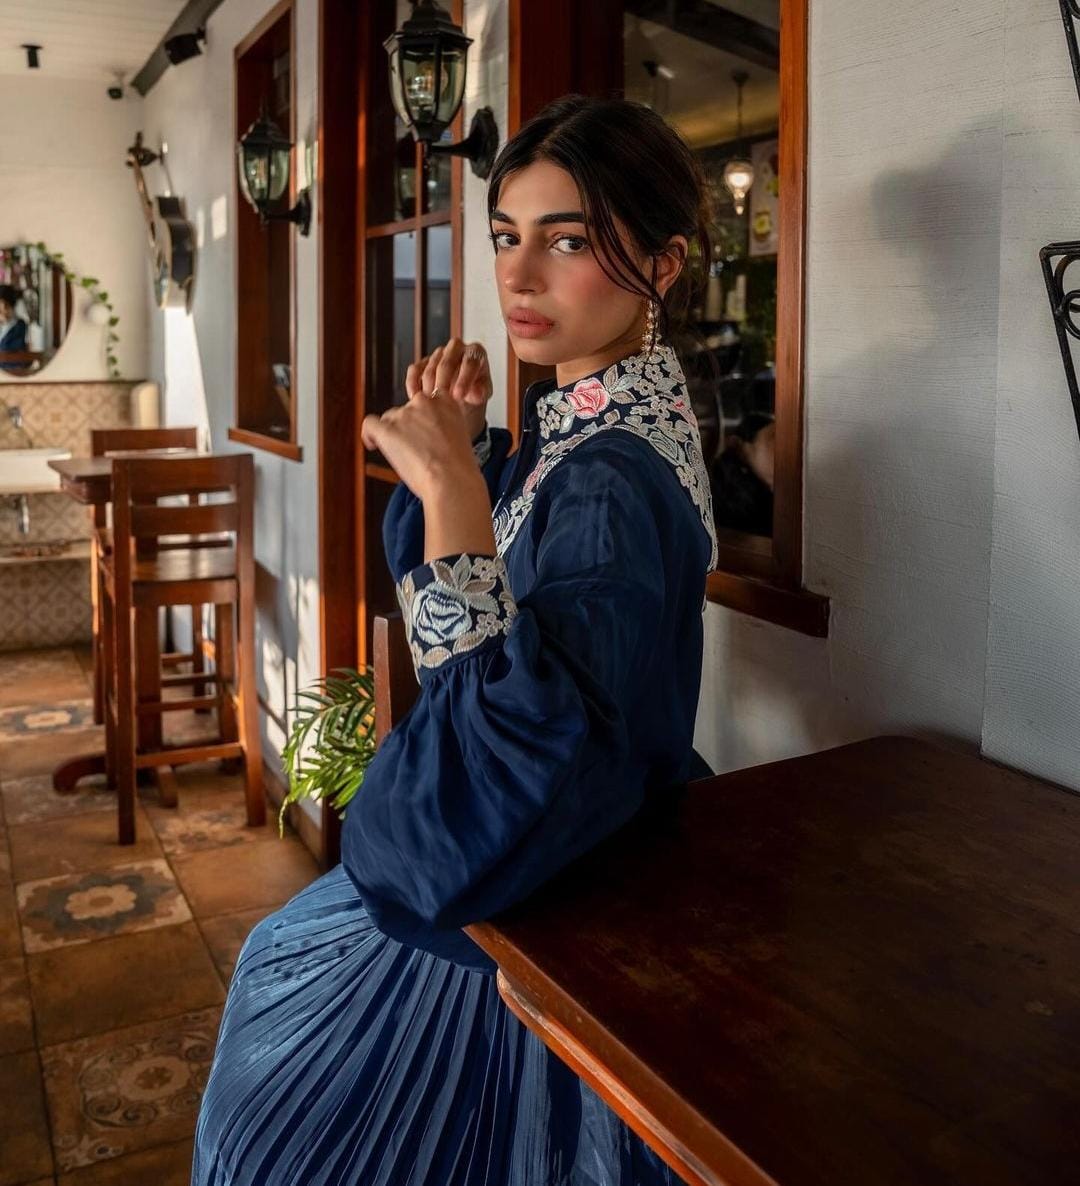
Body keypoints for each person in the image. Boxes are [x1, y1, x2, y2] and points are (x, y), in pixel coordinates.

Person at [193, 94, 718, 1186]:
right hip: (567, 855)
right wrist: (470, 465)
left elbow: (506, 763)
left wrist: (448, 483)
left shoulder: (610, 477)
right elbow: (501, 630)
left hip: (536, 891)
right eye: (506, 236)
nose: (519, 277)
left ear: (662, 268)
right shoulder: (589, 429)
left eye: (568, 239)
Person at [0, 284, 28, 370]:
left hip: (12, 369)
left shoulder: (19, 325)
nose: (3, 311)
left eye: (6, 306)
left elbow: (7, 350)